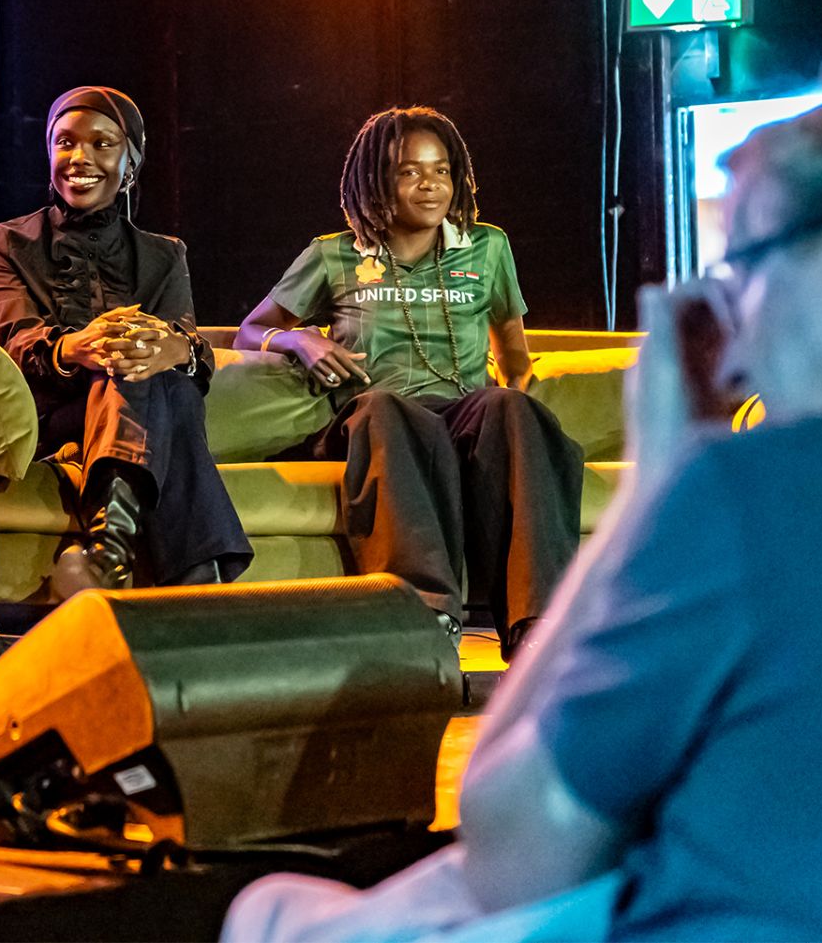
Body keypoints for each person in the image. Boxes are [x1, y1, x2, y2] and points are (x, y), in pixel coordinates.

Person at [227, 62, 822, 941]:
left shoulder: (761, 493)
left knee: (268, 908)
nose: (738, 340)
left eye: (747, 265)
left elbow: (506, 846)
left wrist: (662, 486)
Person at [236, 106, 582, 654]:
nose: (431, 185)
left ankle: (541, 629)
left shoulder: (487, 247)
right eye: (409, 171)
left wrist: (510, 435)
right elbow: (251, 331)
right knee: (386, 407)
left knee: (511, 408)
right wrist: (300, 341)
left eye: (441, 170)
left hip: (462, 416)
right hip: (374, 420)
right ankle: (424, 617)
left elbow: (514, 359)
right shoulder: (334, 254)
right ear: (376, 181)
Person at [0, 86, 251, 595]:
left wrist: (170, 348)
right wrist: (79, 347)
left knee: (153, 375)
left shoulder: (165, 254)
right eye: (65, 142)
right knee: (140, 374)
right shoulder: (7, 241)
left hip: (147, 409)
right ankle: (198, 579)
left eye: (102, 144)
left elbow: (188, 344)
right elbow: (16, 340)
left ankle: (109, 552)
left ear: (131, 162)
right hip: (54, 414)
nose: (80, 157)